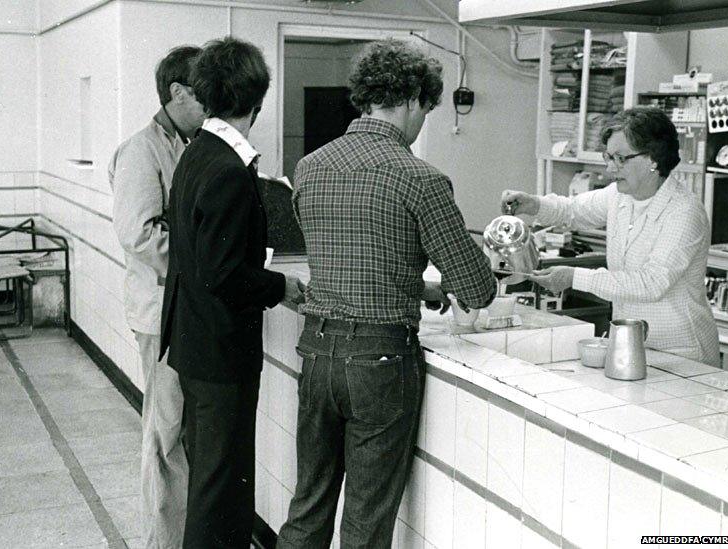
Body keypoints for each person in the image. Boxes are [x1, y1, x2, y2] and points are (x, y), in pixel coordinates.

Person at [276, 40, 496, 549]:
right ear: (414, 98)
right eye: (427, 111)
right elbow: (477, 290)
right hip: (380, 361)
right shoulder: (421, 178)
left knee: (308, 505)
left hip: (318, 352)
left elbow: (353, 258)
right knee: (365, 521)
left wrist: (418, 284)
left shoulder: (310, 167)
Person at [159, 37, 304, 548]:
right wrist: (281, 284)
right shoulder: (227, 168)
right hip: (221, 353)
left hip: (195, 343)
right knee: (220, 490)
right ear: (257, 101)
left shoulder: (197, 152)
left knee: (215, 481)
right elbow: (223, 274)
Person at [502, 106, 719, 366]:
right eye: (608, 157)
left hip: (682, 352)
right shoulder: (619, 195)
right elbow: (572, 210)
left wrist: (574, 277)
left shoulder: (684, 212)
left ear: (653, 159)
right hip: (635, 345)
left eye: (620, 158)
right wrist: (532, 204)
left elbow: (650, 283)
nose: (609, 169)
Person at [108, 44, 204, 549]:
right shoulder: (140, 151)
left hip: (189, 309)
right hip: (159, 314)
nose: (211, 105)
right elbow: (139, 234)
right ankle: (163, 543)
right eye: (202, 94)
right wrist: (206, 262)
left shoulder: (194, 144)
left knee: (182, 433)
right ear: (177, 93)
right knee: (166, 436)